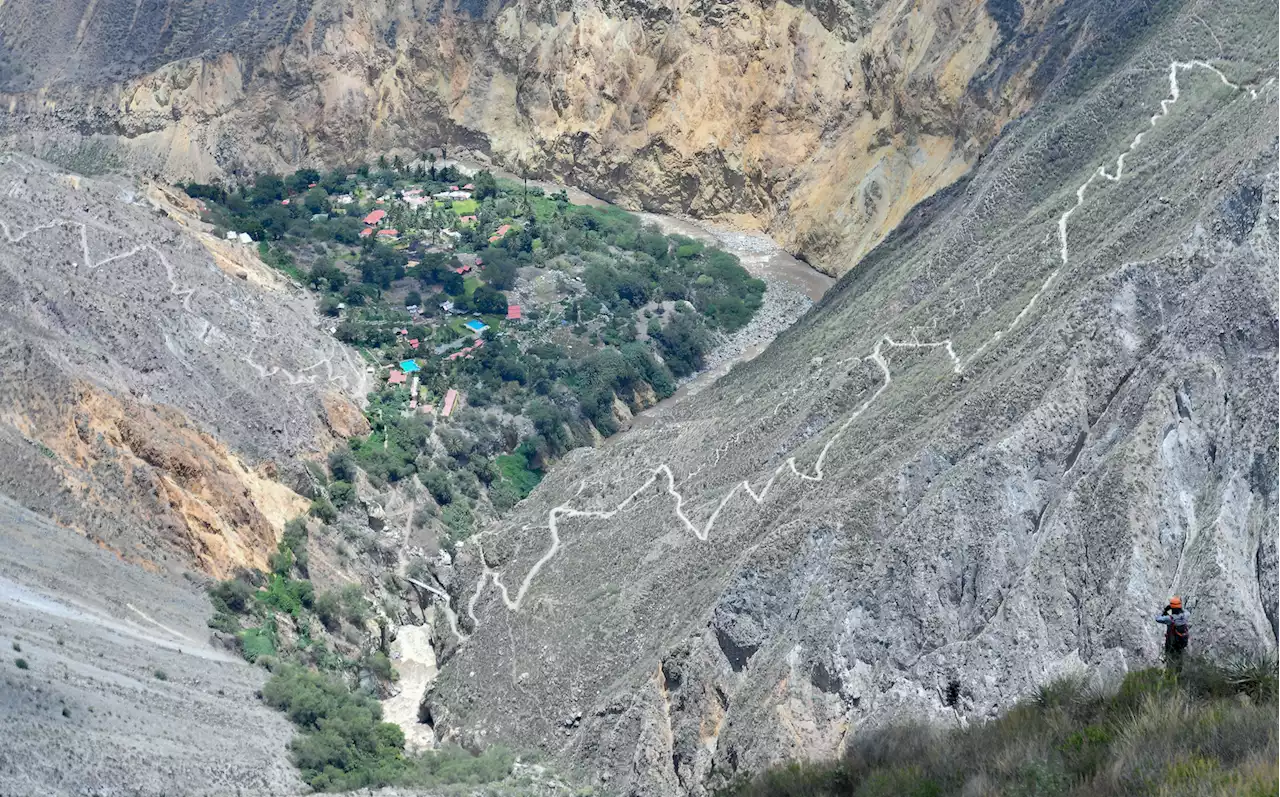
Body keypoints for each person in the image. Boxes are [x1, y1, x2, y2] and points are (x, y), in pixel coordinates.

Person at [1156, 596, 1190, 670]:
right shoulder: (1185, 616)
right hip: (1181, 644)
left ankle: (1170, 675)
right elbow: (1187, 611)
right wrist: (1181, 608)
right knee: (1179, 661)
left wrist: (1165, 610)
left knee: (1170, 662)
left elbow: (1158, 619)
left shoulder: (1169, 619)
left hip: (1171, 644)